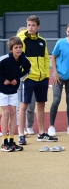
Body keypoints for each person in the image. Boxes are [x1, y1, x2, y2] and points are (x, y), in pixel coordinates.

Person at [17, 15, 57, 145]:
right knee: (24, 105)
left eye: (33, 25)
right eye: (28, 25)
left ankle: (41, 133)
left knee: (41, 105)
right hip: (28, 78)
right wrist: (24, 74)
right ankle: (21, 134)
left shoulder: (42, 41)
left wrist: (46, 75)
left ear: (38, 27)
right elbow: (17, 54)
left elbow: (46, 58)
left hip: (42, 79)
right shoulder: (22, 39)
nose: (30, 27)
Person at [0, 36, 31, 151]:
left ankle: (12, 141)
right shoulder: (4, 59)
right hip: (1, 89)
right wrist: (3, 80)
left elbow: (28, 70)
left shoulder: (23, 59)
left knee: (13, 113)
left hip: (13, 90)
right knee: (6, 113)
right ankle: (4, 142)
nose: (19, 49)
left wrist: (17, 79)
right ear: (11, 49)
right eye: (16, 47)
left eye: (20, 47)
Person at [16, 27, 36, 136]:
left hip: (31, 78)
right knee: (21, 105)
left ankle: (29, 125)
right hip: (19, 80)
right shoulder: (15, 53)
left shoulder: (30, 49)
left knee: (32, 104)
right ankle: (21, 127)